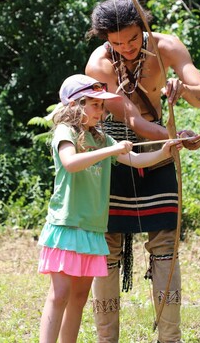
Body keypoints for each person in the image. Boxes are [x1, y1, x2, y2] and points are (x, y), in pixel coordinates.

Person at [85, 0, 200, 343]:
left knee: (165, 244)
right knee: (107, 245)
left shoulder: (168, 47)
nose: (125, 48)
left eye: (132, 39)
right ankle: (106, 339)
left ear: (144, 27)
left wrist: (183, 90)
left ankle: (170, 338)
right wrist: (173, 139)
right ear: (105, 40)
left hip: (159, 149)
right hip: (113, 151)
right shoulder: (99, 63)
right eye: (116, 43)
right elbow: (129, 118)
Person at [38, 74, 184, 343]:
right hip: (67, 225)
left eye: (102, 106)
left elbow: (137, 160)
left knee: (80, 298)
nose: (101, 112)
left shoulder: (102, 138)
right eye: (95, 105)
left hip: (92, 230)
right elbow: (70, 162)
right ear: (76, 105)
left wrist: (166, 151)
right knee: (59, 295)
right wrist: (110, 150)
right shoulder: (65, 133)